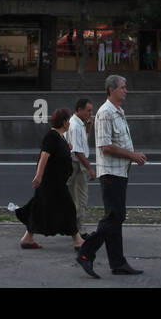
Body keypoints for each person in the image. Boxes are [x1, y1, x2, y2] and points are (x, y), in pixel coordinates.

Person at [76, 75, 146, 278]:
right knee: (114, 217)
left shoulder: (118, 112)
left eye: (125, 87)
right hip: (111, 173)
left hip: (119, 172)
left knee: (115, 217)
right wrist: (132, 155)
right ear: (111, 90)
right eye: (123, 87)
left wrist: (132, 156)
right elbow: (105, 147)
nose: (126, 90)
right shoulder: (105, 113)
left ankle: (118, 263)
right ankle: (86, 254)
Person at [16, 108, 80, 249]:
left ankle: (27, 238)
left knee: (39, 208)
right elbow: (44, 156)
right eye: (68, 120)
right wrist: (38, 176)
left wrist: (67, 148)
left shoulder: (59, 137)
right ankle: (78, 240)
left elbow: (58, 154)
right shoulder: (51, 136)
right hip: (52, 182)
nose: (70, 123)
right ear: (64, 122)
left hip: (55, 182)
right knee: (69, 208)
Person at [66, 98, 96, 240]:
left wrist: (89, 129)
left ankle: (77, 229)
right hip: (77, 165)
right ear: (79, 110)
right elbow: (78, 151)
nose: (91, 113)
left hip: (75, 164)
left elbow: (82, 144)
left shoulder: (78, 124)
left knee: (75, 199)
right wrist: (90, 168)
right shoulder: (76, 126)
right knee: (80, 199)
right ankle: (80, 232)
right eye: (88, 110)